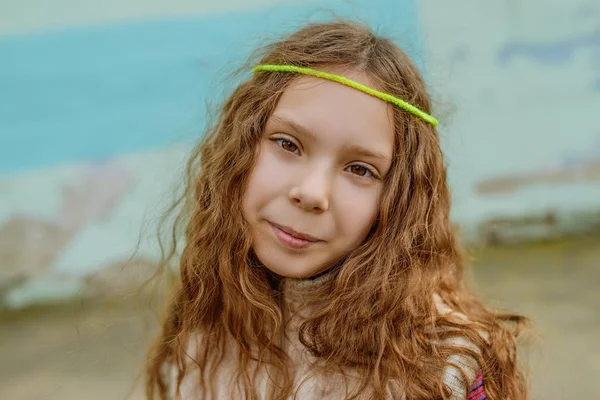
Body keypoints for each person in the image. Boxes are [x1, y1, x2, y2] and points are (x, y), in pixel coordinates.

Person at [145, 20, 528, 399]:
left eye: (360, 169)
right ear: (239, 148)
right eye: (288, 144)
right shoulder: (203, 327)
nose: (312, 193)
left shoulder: (444, 371)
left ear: (400, 200)